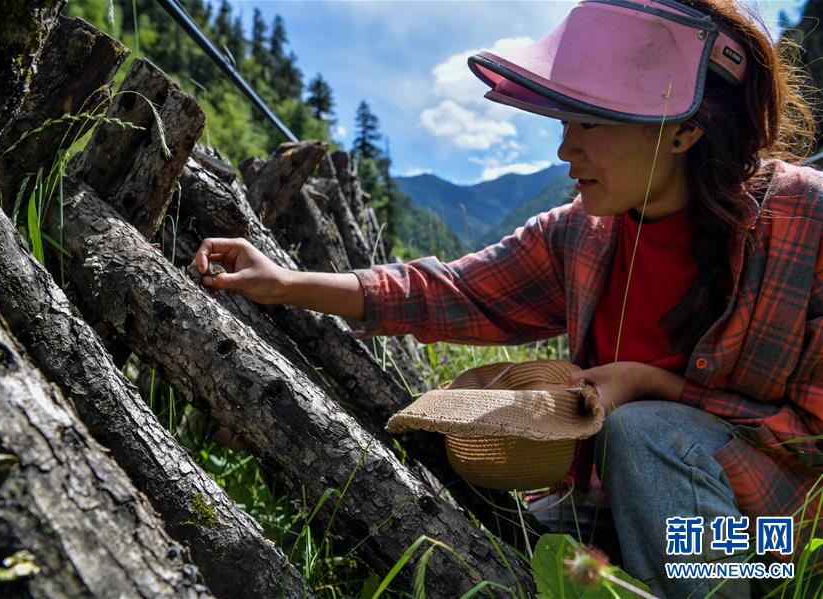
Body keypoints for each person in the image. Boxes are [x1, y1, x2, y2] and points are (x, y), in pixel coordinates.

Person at [191, 0, 822, 596]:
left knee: (644, 430)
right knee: (494, 544)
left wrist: (652, 386)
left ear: (682, 131)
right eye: (565, 121)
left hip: (771, 537)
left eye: (591, 123)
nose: (565, 148)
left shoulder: (806, 223)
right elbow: (451, 290)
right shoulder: (580, 233)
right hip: (627, 512)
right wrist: (284, 282)